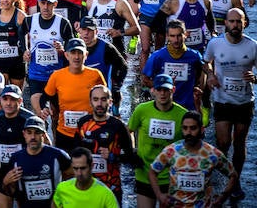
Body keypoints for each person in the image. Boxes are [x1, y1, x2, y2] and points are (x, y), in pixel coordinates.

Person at [203, 7, 257, 201]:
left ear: (244, 23)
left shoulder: (252, 46)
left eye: (239, 21)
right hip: (222, 100)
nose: (235, 25)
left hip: (244, 102)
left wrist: (255, 78)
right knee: (224, 142)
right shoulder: (215, 43)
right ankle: (224, 174)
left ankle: (236, 180)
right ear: (225, 23)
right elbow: (206, 61)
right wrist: (210, 75)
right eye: (232, 21)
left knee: (240, 142)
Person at [148, 110, 237, 207]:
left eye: (193, 128)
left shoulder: (212, 154)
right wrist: (159, 195)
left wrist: (222, 198)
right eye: (185, 128)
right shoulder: (171, 151)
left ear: (202, 129)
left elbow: (233, 175)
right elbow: (152, 171)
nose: (188, 132)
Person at [128, 74, 187, 208]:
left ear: (173, 90)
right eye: (159, 89)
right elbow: (128, 130)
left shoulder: (182, 114)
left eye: (166, 90)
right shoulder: (142, 110)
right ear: (152, 90)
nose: (162, 93)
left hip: (170, 176)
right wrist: (132, 150)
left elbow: (191, 141)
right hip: (144, 173)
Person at [74, 84, 135, 204]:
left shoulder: (118, 126)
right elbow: (75, 152)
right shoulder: (83, 123)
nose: (99, 104)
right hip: (85, 185)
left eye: (103, 99)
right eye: (95, 99)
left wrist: (112, 156)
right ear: (90, 102)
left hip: (111, 186)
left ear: (110, 102)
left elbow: (132, 157)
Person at [42, 38, 106, 152]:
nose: (76, 57)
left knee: (88, 167)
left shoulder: (95, 75)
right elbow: (45, 96)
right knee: (67, 168)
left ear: (86, 55)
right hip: (65, 133)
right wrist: (45, 108)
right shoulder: (57, 76)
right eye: (73, 53)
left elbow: (105, 99)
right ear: (66, 55)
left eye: (80, 53)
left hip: (90, 132)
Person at [2, 114, 71, 208]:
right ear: (24, 134)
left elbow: (72, 179)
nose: (33, 137)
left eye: (37, 132)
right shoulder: (16, 159)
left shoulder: (58, 156)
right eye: (29, 132)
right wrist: (6, 182)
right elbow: (11, 192)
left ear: (43, 134)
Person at [52, 146, 119, 208]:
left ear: (92, 166)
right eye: (75, 168)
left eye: (83, 168)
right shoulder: (62, 188)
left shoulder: (105, 193)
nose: (79, 173)